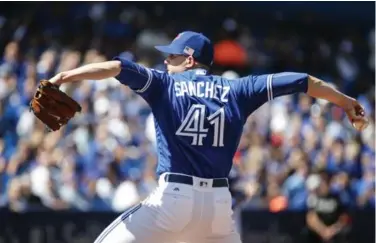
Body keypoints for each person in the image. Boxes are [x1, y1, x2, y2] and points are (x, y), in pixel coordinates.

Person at [47, 31, 368, 243]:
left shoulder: (164, 84)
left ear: (188, 59)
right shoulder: (238, 88)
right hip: (217, 207)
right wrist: (346, 102)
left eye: (171, 56)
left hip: (172, 201)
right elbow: (302, 80)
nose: (165, 61)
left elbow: (117, 67)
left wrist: (64, 76)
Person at [304, 173, 351, 243]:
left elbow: (344, 218)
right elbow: (311, 218)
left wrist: (332, 230)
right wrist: (323, 231)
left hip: (335, 231)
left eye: (326, 183)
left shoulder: (337, 198)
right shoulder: (314, 198)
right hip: (318, 232)